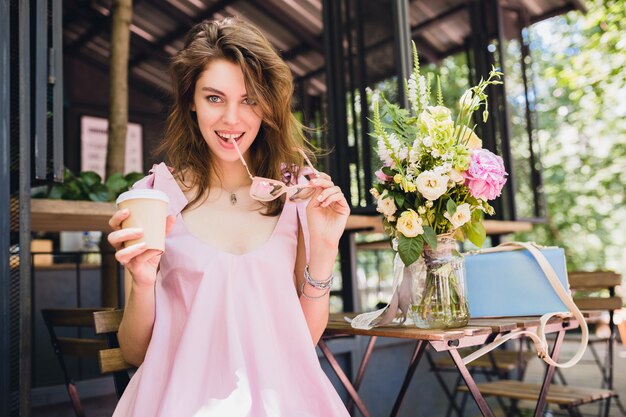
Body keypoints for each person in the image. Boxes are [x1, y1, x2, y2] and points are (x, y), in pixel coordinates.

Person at [106, 17, 351, 417]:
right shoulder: (154, 197)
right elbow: (135, 352)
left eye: (249, 99)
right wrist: (143, 281)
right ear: (191, 100)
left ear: (268, 105)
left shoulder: (296, 193)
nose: (232, 120)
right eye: (214, 98)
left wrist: (324, 250)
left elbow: (299, 343)